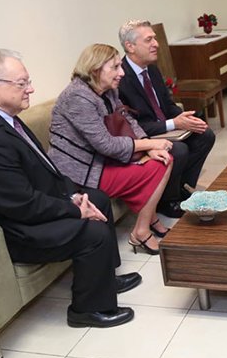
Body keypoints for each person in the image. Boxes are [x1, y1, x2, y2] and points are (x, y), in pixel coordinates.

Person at [0, 49, 140, 328]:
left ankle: (105, 279)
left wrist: (75, 196)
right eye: (22, 83)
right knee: (93, 232)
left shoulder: (2, 117)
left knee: (97, 198)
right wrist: (75, 211)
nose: (30, 89)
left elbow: (45, 169)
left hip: (29, 207)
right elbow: (21, 205)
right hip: (12, 229)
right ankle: (86, 310)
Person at [49, 44, 173, 255]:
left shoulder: (108, 90)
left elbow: (128, 120)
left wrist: (148, 146)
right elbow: (105, 144)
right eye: (115, 67)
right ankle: (141, 231)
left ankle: (149, 221)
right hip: (81, 171)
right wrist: (150, 144)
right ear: (95, 69)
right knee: (162, 164)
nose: (122, 72)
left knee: (162, 158)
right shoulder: (77, 97)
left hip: (102, 160)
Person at [117, 20, 215, 218]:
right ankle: (167, 201)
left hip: (162, 127)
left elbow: (167, 104)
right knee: (178, 149)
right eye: (149, 40)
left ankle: (183, 189)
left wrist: (183, 117)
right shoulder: (120, 78)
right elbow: (132, 126)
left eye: (155, 38)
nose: (156, 44)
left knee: (205, 135)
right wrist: (173, 124)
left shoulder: (152, 69)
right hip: (142, 136)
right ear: (130, 46)